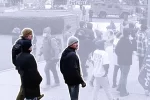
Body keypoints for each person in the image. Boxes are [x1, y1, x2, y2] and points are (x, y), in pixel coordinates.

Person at [60, 36, 86, 100]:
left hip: (68, 80)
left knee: (72, 98)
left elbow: (61, 67)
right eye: (75, 43)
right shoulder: (72, 55)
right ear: (70, 44)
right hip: (74, 81)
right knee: (74, 98)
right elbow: (75, 70)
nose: (77, 44)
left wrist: (66, 76)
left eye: (77, 42)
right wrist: (82, 81)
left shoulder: (65, 52)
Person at [12, 28, 34, 100]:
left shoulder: (19, 42)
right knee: (24, 86)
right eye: (31, 34)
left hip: (21, 67)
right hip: (24, 68)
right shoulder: (25, 43)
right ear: (27, 35)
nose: (32, 36)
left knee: (26, 84)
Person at [115, 28, 134, 97]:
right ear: (128, 34)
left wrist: (120, 56)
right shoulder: (128, 41)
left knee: (122, 74)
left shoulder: (121, 40)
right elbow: (132, 49)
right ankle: (123, 92)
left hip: (120, 61)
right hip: (127, 62)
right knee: (124, 76)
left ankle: (119, 88)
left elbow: (116, 50)